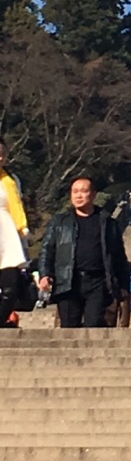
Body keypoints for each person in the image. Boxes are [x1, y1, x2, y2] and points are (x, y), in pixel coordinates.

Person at [38, 176, 129, 329]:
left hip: (98, 281)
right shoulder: (60, 222)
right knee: (68, 326)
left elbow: (119, 256)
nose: (79, 195)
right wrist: (44, 274)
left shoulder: (108, 223)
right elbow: (47, 249)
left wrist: (123, 286)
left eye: (83, 191)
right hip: (68, 281)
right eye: (75, 192)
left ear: (93, 195)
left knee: (93, 324)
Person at [0, 138, 30, 328]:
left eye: (2, 153)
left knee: (10, 286)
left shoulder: (10, 180)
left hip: (6, 231)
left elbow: (16, 205)